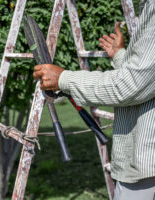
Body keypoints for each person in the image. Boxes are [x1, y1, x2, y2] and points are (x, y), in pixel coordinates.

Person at [33, 0, 155, 199]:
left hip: (148, 164)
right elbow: (147, 75)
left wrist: (64, 79)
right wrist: (120, 56)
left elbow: (131, 84)